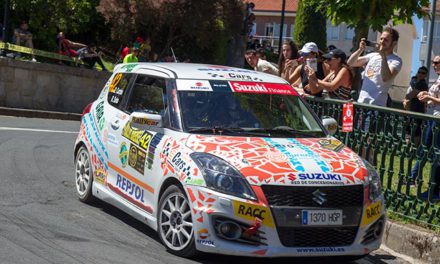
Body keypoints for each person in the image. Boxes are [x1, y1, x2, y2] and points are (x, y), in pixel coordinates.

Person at [408, 56, 440, 197]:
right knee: (425, 150)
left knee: (434, 153)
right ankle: (412, 178)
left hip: (437, 120)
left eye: (437, 62)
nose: (434, 64)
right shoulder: (438, 79)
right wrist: (426, 94)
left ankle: (433, 188)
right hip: (431, 118)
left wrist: (429, 98)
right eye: (433, 62)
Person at [347, 27, 402, 106]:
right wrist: (360, 49)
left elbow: (385, 78)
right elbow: (350, 62)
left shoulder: (396, 60)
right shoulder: (373, 55)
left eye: (386, 40)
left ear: (394, 43)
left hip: (377, 105)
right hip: (361, 102)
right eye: (381, 39)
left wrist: (383, 56)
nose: (382, 42)